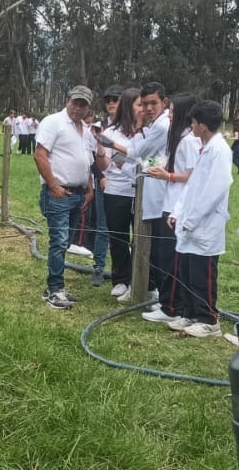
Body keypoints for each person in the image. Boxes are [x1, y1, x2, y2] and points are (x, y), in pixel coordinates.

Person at [164, 100, 233, 337]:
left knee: (203, 273)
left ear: (202, 125)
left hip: (205, 225)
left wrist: (191, 220)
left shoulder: (220, 150)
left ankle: (208, 319)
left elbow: (214, 190)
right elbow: (192, 186)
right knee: (187, 270)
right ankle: (190, 313)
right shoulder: (205, 149)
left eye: (193, 122)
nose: (191, 126)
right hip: (189, 223)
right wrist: (177, 212)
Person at [34, 86, 99, 309]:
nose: (78, 108)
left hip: (78, 194)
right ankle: (55, 290)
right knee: (59, 241)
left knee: (66, 241)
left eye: (83, 105)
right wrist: (53, 185)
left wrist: (89, 189)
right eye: (75, 103)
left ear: (89, 107)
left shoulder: (86, 131)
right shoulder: (54, 123)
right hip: (59, 193)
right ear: (67, 101)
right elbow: (40, 154)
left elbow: (87, 162)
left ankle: (55, 287)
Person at [143, 93, 199, 324]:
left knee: (171, 259)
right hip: (170, 203)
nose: (170, 115)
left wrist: (168, 175)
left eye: (174, 111)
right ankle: (169, 302)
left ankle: (172, 306)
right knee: (164, 256)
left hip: (179, 205)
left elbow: (196, 175)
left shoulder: (189, 141)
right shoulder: (178, 138)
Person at [95, 87, 141, 297]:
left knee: (141, 238)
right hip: (117, 191)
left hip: (142, 192)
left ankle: (141, 280)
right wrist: (103, 150)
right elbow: (110, 164)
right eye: (139, 104)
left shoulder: (147, 131)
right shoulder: (111, 132)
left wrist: (125, 156)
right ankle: (121, 278)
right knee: (118, 237)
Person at [132, 82, 174, 304]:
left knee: (159, 248)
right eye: (144, 104)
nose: (148, 108)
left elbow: (137, 152)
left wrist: (138, 128)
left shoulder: (161, 126)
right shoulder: (158, 124)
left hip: (160, 193)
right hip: (154, 188)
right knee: (156, 247)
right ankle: (157, 291)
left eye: (153, 103)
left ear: (164, 102)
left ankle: (161, 295)